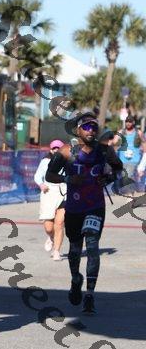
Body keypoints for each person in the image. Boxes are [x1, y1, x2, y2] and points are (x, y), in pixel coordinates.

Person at [46, 113, 123, 315]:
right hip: (73, 208)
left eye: (94, 127)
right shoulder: (66, 151)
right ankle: (75, 279)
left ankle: (89, 295)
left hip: (95, 206)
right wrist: (68, 179)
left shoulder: (104, 150)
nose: (91, 130)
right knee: (74, 249)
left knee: (92, 245)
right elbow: (49, 175)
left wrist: (107, 179)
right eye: (87, 127)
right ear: (78, 129)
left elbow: (118, 169)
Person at [34, 139, 66, 261]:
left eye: (59, 148)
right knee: (49, 227)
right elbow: (37, 176)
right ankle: (51, 237)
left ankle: (57, 251)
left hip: (64, 193)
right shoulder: (45, 162)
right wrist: (41, 184)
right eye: (54, 148)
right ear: (51, 150)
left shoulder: (68, 161)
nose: (56, 150)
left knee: (59, 223)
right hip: (48, 193)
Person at [113, 115, 145, 195]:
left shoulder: (138, 132)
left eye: (130, 121)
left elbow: (144, 143)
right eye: (127, 121)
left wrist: (144, 155)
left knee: (129, 174)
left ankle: (130, 193)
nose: (128, 123)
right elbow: (114, 142)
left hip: (135, 159)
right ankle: (133, 190)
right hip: (123, 159)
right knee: (124, 176)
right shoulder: (121, 132)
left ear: (133, 122)